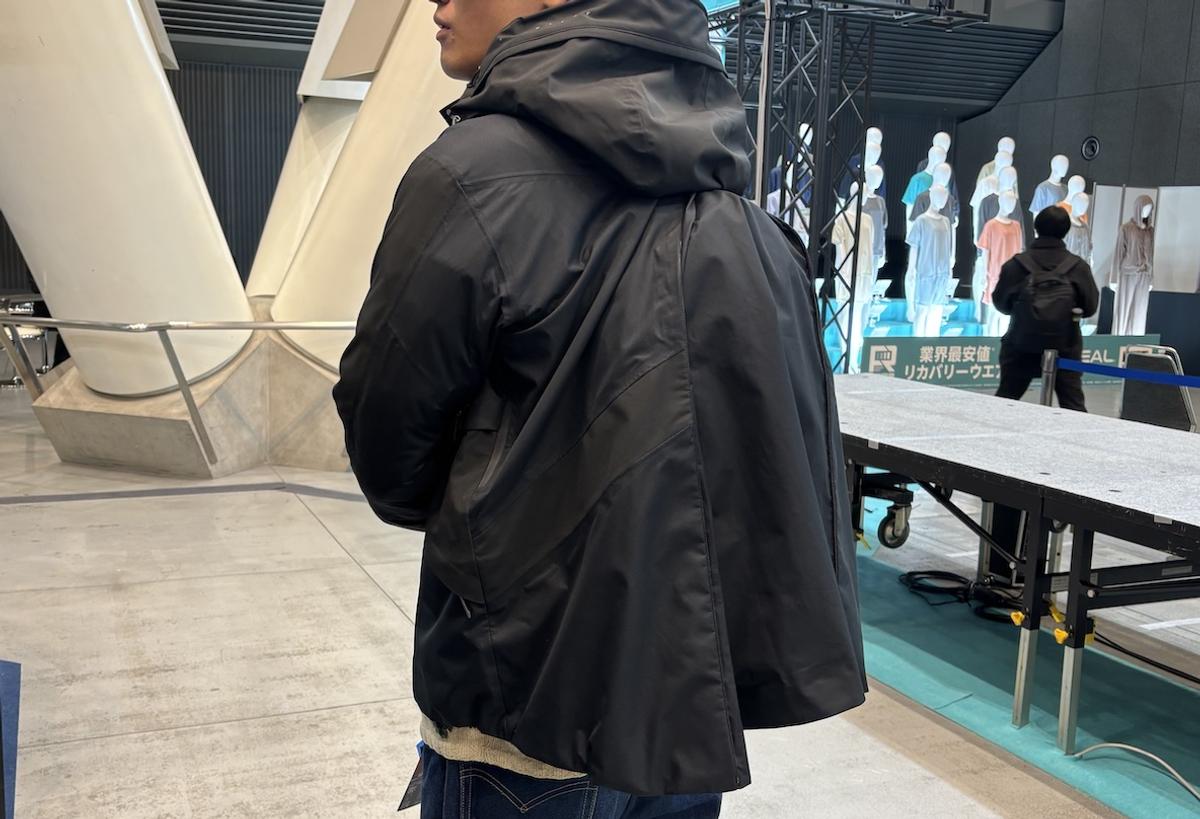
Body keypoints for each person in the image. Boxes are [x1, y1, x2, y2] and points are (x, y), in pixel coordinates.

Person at [333, 0, 867, 816]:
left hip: (522, 700)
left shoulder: (470, 174)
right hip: (682, 706)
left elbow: (386, 438)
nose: (438, 5)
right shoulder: (720, 165)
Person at [993, 205, 1099, 411]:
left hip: (1020, 346)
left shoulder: (1016, 265)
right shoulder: (1078, 267)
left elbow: (1001, 304)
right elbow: (1090, 307)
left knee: (1004, 401)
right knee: (1073, 407)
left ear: (1036, 227)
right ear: (1066, 231)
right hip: (1065, 348)